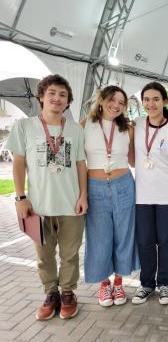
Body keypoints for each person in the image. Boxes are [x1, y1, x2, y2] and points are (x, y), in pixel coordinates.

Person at [6, 74, 87, 320]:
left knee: (70, 254)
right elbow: (18, 163)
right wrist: (21, 198)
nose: (57, 98)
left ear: (68, 102)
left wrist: (83, 195)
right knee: (43, 255)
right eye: (52, 93)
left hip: (71, 205)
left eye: (62, 95)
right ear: (41, 96)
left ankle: (68, 294)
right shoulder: (24, 126)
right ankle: (51, 293)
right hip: (38, 207)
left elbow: (81, 164)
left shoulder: (75, 129)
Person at [82, 85, 138, 307]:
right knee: (99, 236)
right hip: (95, 186)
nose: (116, 105)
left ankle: (119, 282)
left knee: (124, 235)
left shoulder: (128, 129)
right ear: (102, 100)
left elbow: (134, 161)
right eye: (112, 100)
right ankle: (104, 285)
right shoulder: (85, 126)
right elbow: (78, 162)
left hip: (123, 184)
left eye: (121, 103)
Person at [131, 82, 168, 305]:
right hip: (142, 195)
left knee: (164, 240)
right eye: (147, 100)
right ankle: (146, 284)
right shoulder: (137, 124)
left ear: (164, 101)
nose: (151, 104)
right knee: (145, 241)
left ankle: (164, 284)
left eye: (155, 99)